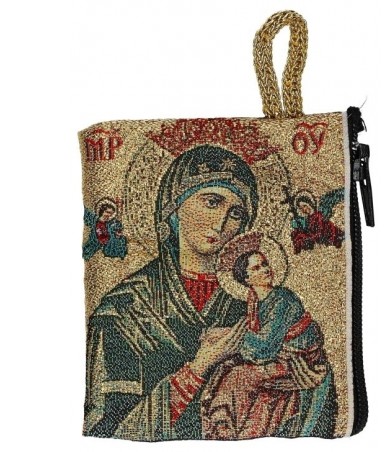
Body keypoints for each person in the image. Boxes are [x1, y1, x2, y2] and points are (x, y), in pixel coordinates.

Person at [83, 145, 259, 441]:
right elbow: (108, 430)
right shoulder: (122, 310)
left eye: (236, 213)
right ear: (174, 206)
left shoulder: (255, 302)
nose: (220, 223)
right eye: (212, 202)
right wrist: (199, 367)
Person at [200, 240, 337, 439]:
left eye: (264, 264)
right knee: (225, 368)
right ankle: (222, 426)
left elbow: (265, 347)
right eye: (257, 268)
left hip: (298, 363)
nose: (265, 269)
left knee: (239, 376)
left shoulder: (283, 299)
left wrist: (230, 338)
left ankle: (226, 428)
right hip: (278, 358)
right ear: (246, 278)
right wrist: (225, 334)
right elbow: (251, 333)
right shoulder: (255, 303)